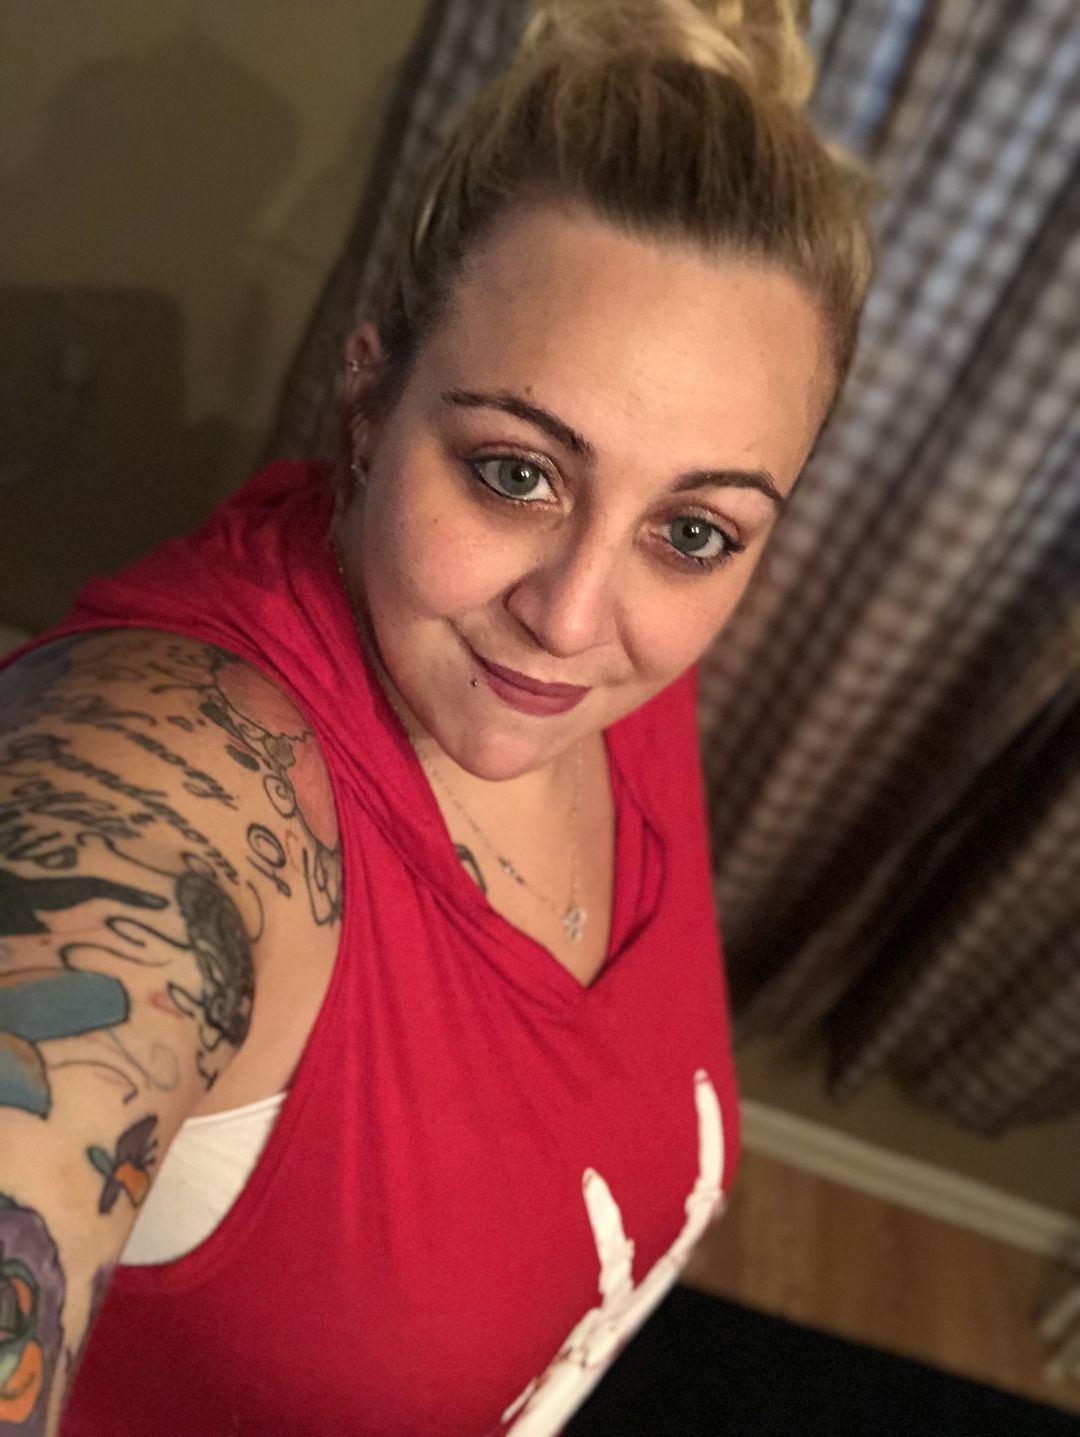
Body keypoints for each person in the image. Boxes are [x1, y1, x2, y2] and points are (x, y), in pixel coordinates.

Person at [0, 1, 873, 1431]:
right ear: (369, 399)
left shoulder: (602, 678)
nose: (574, 618)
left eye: (694, 531)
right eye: (516, 473)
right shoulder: (161, 781)